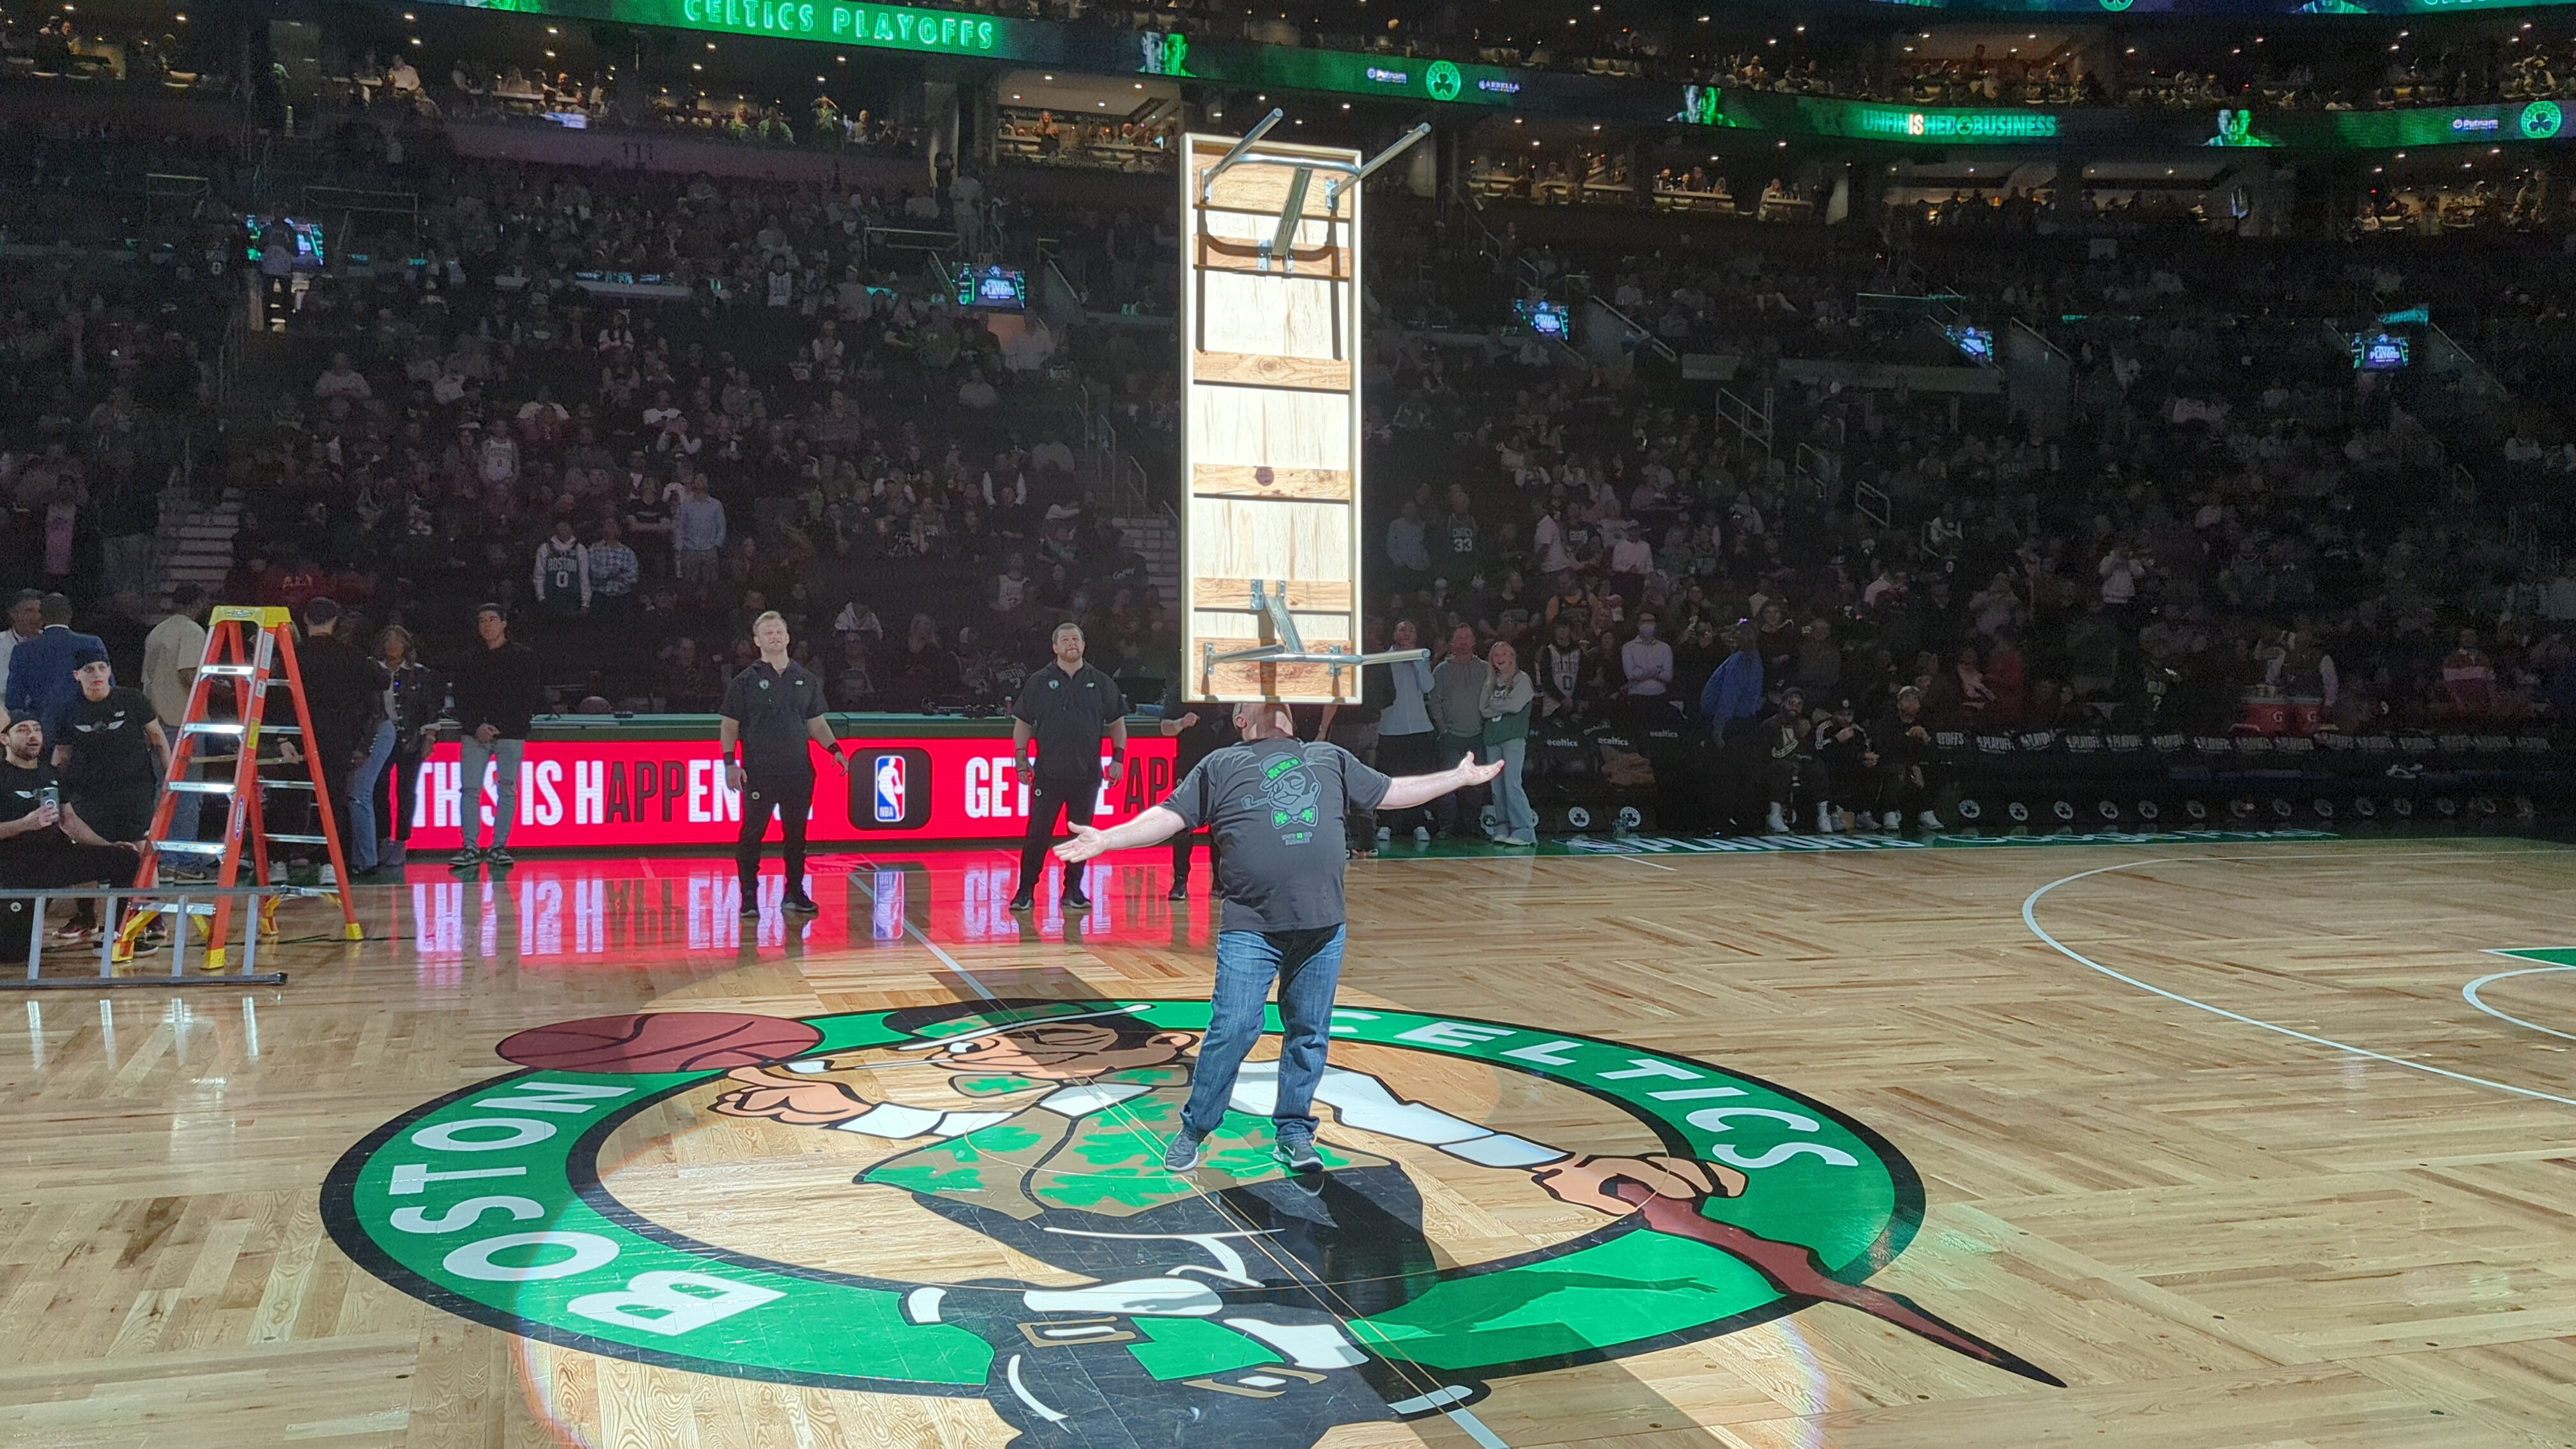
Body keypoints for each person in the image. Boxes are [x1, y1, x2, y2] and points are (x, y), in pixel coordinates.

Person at [1052, 698, 1503, 1172]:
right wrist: (1108, 839)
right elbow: (1169, 817)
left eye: (1282, 696)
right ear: (1241, 719)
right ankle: (1196, 1127)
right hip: (1253, 927)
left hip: (1323, 925)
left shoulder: (1328, 756)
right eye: (1258, 698)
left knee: (1309, 1032)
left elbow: (1390, 792)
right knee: (1234, 1028)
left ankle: (1293, 1130)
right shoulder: (1222, 763)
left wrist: (1456, 778)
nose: (1274, 700)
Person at [720, 611, 846, 917]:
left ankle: (795, 892)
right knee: (753, 833)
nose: (774, 636)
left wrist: (834, 749)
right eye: (768, 633)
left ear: (788, 638)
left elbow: (816, 722)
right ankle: (749, 895)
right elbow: (729, 725)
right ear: (757, 641)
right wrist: (730, 763)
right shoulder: (745, 681)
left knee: (796, 834)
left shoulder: (806, 679)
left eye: (779, 631)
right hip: (759, 771)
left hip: (798, 771)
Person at [1008, 622, 1126, 912]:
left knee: (1081, 836)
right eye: (1065, 639)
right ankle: (1025, 891)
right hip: (1048, 774)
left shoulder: (1100, 682)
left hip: (1086, 775)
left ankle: (1073, 890)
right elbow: (1023, 723)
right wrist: (1021, 761)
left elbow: (1117, 723)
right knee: (1038, 834)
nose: (1071, 642)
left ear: (1084, 645)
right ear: (1055, 647)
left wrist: (1118, 758)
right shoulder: (1039, 681)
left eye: (1076, 638)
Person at [0, 715, 146, 949]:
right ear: (4, 739)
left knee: (126, 858)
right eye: (23, 730)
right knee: (14, 953)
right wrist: (25, 824)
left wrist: (107, 845)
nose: (32, 736)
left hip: (53, 859)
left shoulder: (51, 774)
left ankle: (118, 938)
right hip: (15, 868)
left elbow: (70, 822)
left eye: (37, 729)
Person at [50, 646, 165, 939]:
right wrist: (52, 788)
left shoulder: (132, 700)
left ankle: (152, 917)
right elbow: (61, 755)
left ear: (110, 671)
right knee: (81, 847)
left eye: (102, 668)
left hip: (134, 788)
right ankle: (86, 916)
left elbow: (159, 739)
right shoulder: (68, 709)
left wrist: (171, 779)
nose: (97, 675)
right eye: (89, 670)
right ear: (77, 676)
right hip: (89, 792)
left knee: (142, 847)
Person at [296, 600, 390, 875]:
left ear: (305, 619)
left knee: (291, 797)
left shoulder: (294, 654)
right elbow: (382, 681)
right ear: (336, 620)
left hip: (298, 734)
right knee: (333, 800)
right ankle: (329, 864)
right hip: (338, 736)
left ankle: (280, 861)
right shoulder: (352, 655)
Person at [449, 604, 542, 869]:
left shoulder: (523, 657)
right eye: (481, 621)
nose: (486, 625)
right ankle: (469, 846)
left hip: (510, 733)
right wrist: (477, 725)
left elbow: (529, 698)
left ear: (504, 623)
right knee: (469, 789)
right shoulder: (469, 659)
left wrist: (500, 725)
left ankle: (499, 845)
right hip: (474, 733)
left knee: (507, 789)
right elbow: (462, 699)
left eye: (491, 620)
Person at [139, 585, 209, 852]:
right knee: (188, 789)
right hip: (184, 720)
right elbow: (188, 673)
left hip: (156, 717)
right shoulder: (192, 630)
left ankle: (161, 854)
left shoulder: (158, 630)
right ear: (199, 602)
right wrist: (217, 686)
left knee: (163, 788)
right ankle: (183, 856)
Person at [1156, 675, 1236, 900]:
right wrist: (1181, 723)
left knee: (1222, 824)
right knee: (1183, 824)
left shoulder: (1231, 683)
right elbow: (1165, 728)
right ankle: (1180, 881)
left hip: (1225, 764)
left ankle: (1221, 882)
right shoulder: (1181, 687)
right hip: (1191, 764)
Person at [5, 593, 105, 748]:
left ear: (42, 618)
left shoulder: (23, 651)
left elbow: (14, 701)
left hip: (44, 733)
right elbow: (107, 689)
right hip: (88, 730)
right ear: (70, 615)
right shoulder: (92, 643)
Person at [1371, 620, 1437, 843]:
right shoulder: (1384, 657)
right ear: (1394, 634)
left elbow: (1428, 686)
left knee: (1417, 778)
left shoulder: (1421, 657)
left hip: (1419, 726)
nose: (1407, 633)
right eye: (1402, 629)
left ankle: (1418, 822)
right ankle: (1386, 823)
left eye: (1412, 630)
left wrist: (1417, 661)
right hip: (1391, 727)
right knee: (1391, 778)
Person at [1426, 625, 1490, 839]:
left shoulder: (1486, 669)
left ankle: (1473, 825)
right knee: (1448, 785)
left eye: (1467, 637)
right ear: (1452, 643)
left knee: (1477, 786)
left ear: (1473, 641)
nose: (1463, 641)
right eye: (1458, 638)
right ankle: (1447, 826)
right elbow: (1433, 700)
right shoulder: (1442, 670)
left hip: (1477, 735)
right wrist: (1443, 728)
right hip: (1451, 737)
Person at [1480, 640, 1537, 847]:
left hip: (1513, 737)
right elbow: (1483, 709)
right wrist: (1499, 705)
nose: (1500, 658)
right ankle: (1503, 827)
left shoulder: (1522, 679)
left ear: (1512, 657)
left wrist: (1496, 704)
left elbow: (1515, 706)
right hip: (1493, 738)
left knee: (1512, 783)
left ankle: (1525, 831)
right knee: (1497, 787)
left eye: (1504, 654)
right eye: (1496, 655)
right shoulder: (1490, 682)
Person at [0, 590, 45, 707]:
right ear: (13, 614)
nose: (37, 617)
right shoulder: (1, 643)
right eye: (29, 611)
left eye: (40, 611)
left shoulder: (51, 642)